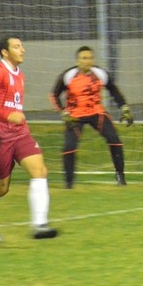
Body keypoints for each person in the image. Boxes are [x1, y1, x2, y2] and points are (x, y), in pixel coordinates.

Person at [0, 35, 58, 242]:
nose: (22, 50)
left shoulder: (20, 75)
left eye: (22, 46)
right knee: (1, 187)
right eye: (17, 46)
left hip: (19, 133)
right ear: (5, 52)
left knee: (40, 171)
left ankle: (39, 225)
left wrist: (14, 117)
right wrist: (5, 115)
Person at [48, 46, 133, 189]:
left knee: (115, 140)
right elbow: (54, 95)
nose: (87, 61)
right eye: (84, 58)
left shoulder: (100, 73)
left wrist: (124, 107)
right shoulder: (68, 75)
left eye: (90, 58)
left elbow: (114, 90)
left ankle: (120, 175)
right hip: (74, 116)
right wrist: (63, 113)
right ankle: (69, 183)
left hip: (96, 113)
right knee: (69, 147)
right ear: (77, 60)